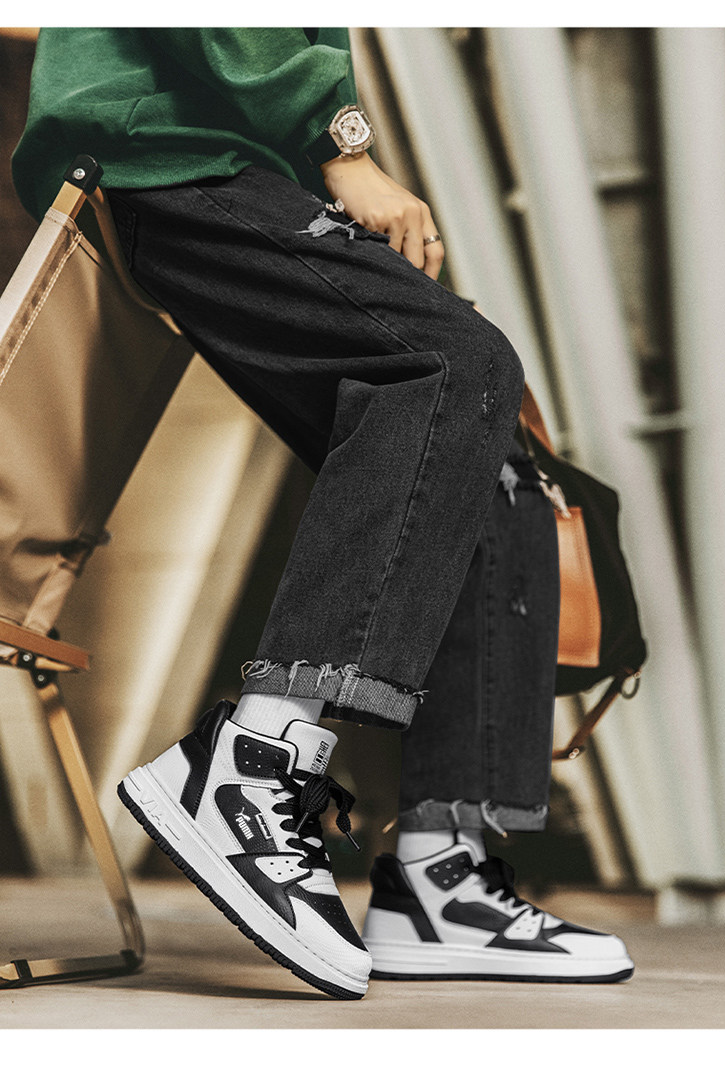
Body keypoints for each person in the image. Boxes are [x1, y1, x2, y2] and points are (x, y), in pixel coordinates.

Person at [12, 27, 633, 1000]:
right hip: (170, 155)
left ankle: (439, 879)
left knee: (495, 454)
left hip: (236, 160)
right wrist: (342, 144)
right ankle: (251, 764)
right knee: (457, 365)